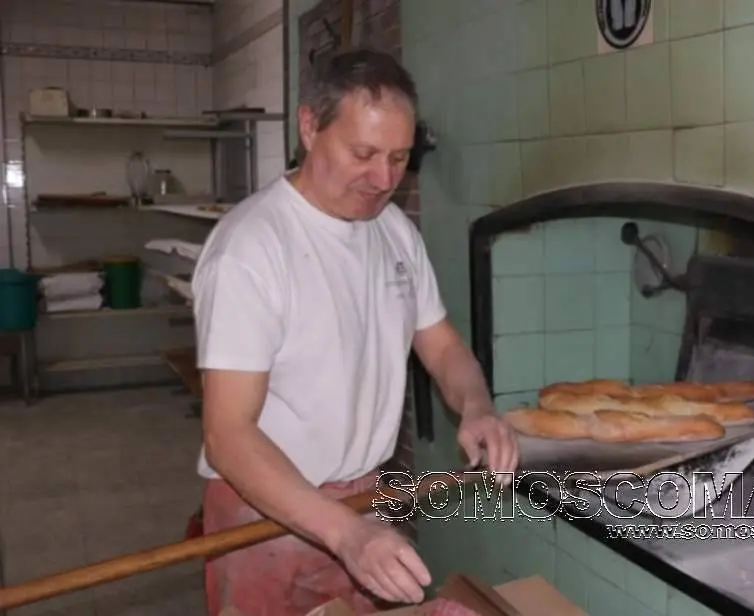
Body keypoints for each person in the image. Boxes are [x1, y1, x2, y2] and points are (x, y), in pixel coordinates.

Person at [191, 49, 520, 616]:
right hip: (266, 513)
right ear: (309, 126)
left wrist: (476, 405)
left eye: (399, 158)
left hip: (366, 497)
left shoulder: (393, 232)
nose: (384, 179)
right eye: (363, 154)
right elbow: (228, 435)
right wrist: (344, 534)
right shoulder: (250, 250)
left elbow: (441, 347)